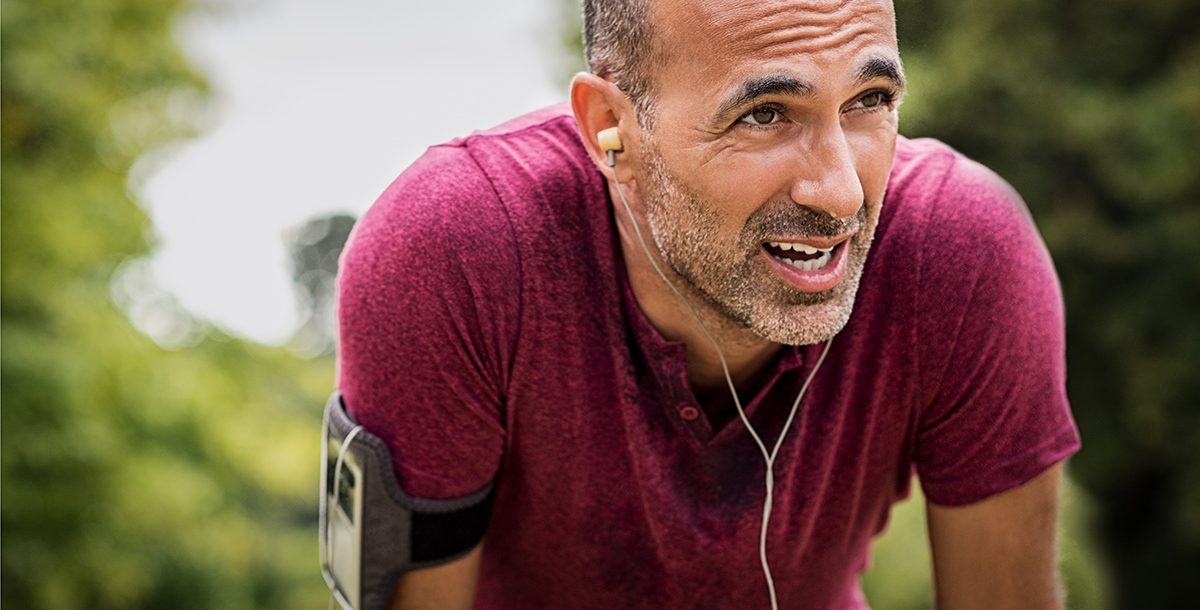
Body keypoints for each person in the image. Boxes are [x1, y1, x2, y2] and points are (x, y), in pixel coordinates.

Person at [334, 0, 1081, 608]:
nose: (842, 193)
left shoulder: (964, 251)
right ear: (610, 130)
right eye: (764, 115)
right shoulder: (455, 250)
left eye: (869, 101)